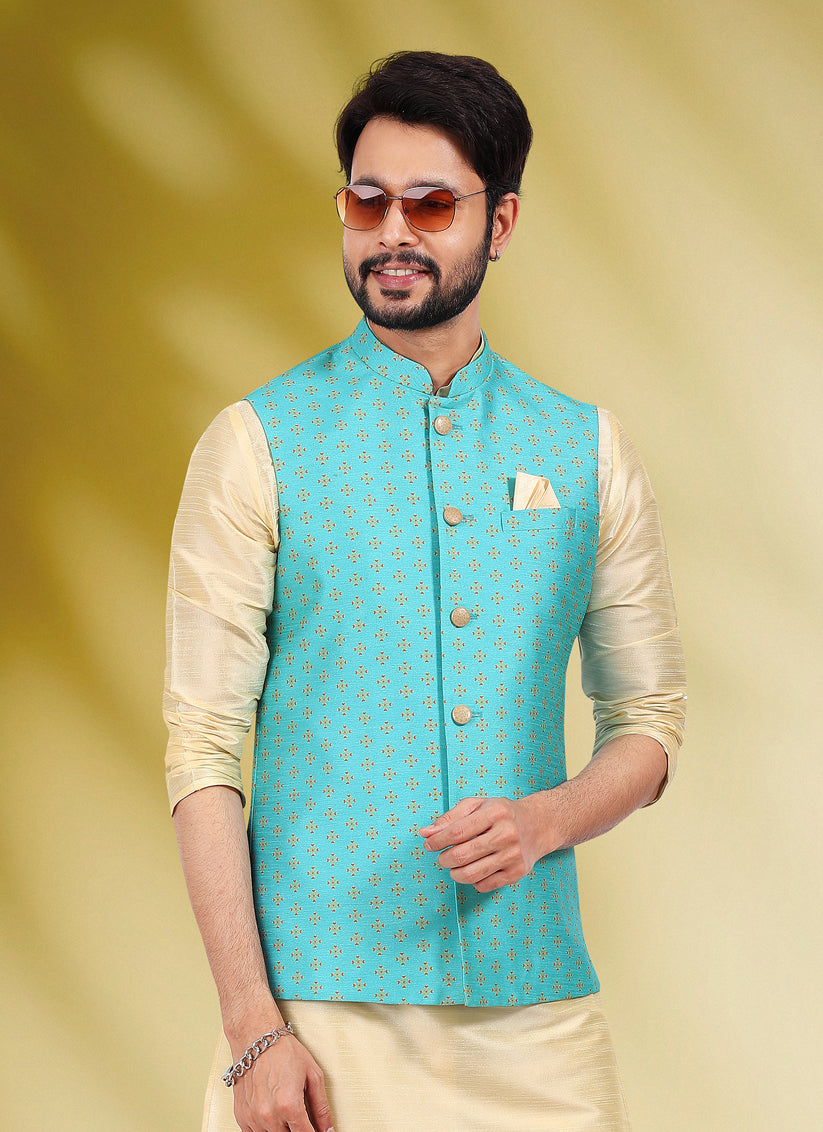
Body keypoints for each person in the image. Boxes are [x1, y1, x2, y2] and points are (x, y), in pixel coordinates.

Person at [165, 50, 686, 1132]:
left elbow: (647, 722)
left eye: (431, 204)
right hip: (313, 1017)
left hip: (534, 1014)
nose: (392, 233)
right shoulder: (256, 444)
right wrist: (254, 1027)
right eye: (368, 201)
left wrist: (545, 819)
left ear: (500, 222)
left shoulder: (585, 449)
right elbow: (203, 749)